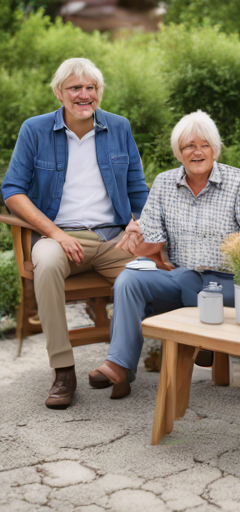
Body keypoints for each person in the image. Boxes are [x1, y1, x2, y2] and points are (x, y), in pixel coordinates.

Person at [1, 58, 149, 409]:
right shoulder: (35, 130)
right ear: (59, 93)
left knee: (154, 269)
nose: (84, 95)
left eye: (90, 88)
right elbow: (12, 191)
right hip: (59, 237)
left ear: (99, 92)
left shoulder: (119, 127)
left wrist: (138, 222)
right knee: (47, 264)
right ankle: (63, 371)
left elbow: (138, 189)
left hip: (113, 237)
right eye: (75, 88)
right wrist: (56, 234)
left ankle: (121, 363)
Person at [88, 110, 240, 398]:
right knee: (130, 278)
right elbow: (150, 234)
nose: (196, 152)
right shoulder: (164, 183)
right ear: (178, 152)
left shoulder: (239, 182)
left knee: (197, 286)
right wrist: (137, 233)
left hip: (229, 282)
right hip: (182, 277)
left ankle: (203, 341)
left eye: (204, 145)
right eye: (188, 146)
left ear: (215, 149)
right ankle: (119, 364)